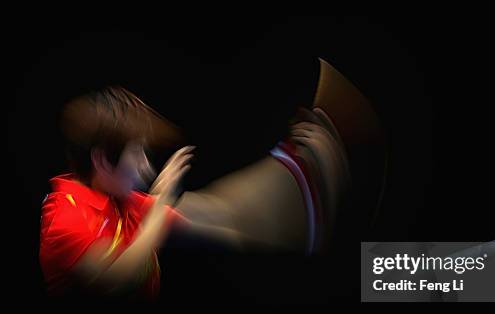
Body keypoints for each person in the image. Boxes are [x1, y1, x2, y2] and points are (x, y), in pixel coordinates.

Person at [40, 78, 352, 300]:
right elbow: (118, 280)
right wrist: (160, 206)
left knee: (200, 209)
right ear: (102, 161)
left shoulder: (121, 199)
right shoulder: (66, 217)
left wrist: (295, 174)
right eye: (137, 156)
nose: (146, 167)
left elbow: (218, 214)